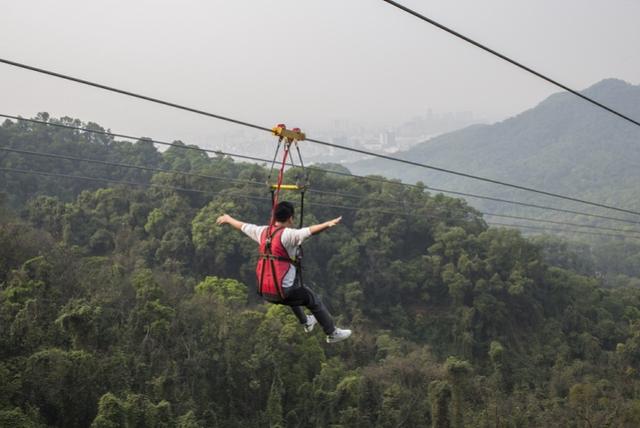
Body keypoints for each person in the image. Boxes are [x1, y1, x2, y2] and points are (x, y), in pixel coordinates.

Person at [216, 201, 352, 343]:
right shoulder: (288, 235)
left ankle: (306, 322)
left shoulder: (262, 232)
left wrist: (228, 219)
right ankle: (332, 332)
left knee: (296, 290)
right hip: (284, 292)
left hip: (266, 292)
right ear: (290, 218)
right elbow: (309, 231)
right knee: (313, 300)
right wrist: (328, 224)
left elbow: (242, 226)